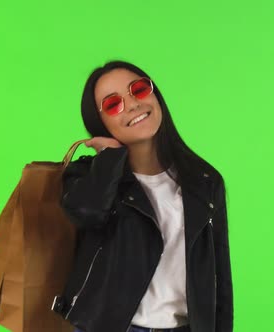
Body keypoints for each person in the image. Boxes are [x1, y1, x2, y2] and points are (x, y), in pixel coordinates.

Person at [51, 60, 233, 332]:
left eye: (138, 89)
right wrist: (110, 158)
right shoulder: (88, 177)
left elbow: (220, 277)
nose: (133, 104)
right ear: (99, 122)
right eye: (113, 104)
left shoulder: (204, 181)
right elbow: (88, 212)